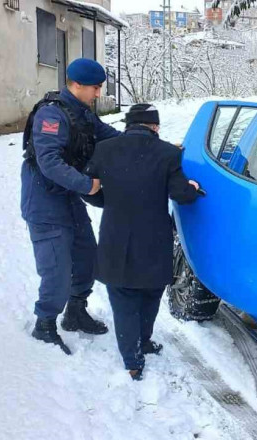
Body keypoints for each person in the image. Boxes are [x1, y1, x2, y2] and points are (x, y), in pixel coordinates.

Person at [85, 104, 201, 380]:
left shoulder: (104, 150)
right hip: (153, 236)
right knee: (150, 292)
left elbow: (87, 189)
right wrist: (193, 188)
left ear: (128, 124)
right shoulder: (169, 154)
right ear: (155, 127)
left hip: (116, 235)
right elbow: (180, 194)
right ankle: (144, 341)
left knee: (123, 297)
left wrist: (108, 202)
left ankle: (132, 359)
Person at [21, 58, 121, 355]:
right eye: (95, 87)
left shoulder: (82, 113)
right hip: (44, 200)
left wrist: (147, 143)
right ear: (76, 84)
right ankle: (45, 323)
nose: (98, 93)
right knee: (57, 269)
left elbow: (110, 137)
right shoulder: (51, 115)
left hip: (66, 197)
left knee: (86, 255)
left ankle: (75, 311)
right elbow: (48, 161)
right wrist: (86, 185)